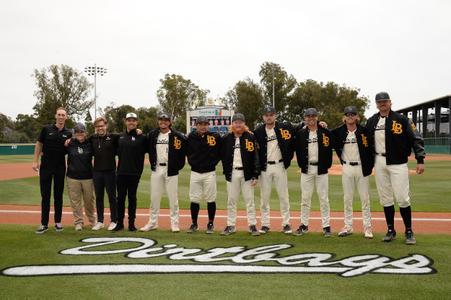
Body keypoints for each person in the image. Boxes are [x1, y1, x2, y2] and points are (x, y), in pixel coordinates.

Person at [365, 92, 425, 245]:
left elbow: (416, 138)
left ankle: (409, 230)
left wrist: (420, 159)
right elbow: (363, 138)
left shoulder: (402, 119)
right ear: (376, 104)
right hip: (379, 161)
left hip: (397, 163)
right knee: (385, 198)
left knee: (402, 198)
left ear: (390, 102)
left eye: (385, 101)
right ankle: (390, 230)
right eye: (379, 102)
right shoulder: (372, 121)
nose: (382, 104)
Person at [332, 106, 374, 239]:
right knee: (347, 199)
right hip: (347, 167)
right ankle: (348, 226)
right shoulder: (338, 132)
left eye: (353, 114)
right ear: (344, 118)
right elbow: (325, 134)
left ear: (357, 117)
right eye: (347, 114)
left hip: (362, 168)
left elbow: (372, 149)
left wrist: (370, 165)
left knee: (365, 199)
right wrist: (322, 125)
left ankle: (367, 227)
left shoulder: (364, 131)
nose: (350, 116)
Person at [140, 113, 186, 233]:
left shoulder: (177, 136)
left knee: (173, 198)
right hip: (157, 169)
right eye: (161, 120)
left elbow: (182, 153)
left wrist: (177, 167)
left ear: (170, 122)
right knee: (154, 198)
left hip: (171, 170)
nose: (163, 122)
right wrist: (137, 132)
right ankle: (152, 222)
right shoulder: (152, 135)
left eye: (166, 120)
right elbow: (142, 144)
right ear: (158, 121)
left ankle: (174, 224)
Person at [254, 106, 295, 234]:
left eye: (271, 114)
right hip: (265, 168)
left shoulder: (284, 127)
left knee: (283, 196)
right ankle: (265, 224)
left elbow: (299, 128)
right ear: (263, 117)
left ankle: (286, 223)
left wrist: (320, 124)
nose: (269, 117)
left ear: (275, 116)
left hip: (280, 165)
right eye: (266, 115)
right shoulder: (258, 131)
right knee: (264, 197)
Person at [294, 108, 333, 237]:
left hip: (321, 169)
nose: (311, 118)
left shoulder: (325, 132)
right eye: (308, 116)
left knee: (323, 198)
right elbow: (298, 150)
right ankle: (304, 225)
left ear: (317, 117)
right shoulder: (301, 133)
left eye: (313, 116)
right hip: (307, 169)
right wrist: (301, 165)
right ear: (305, 118)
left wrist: (327, 165)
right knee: (305, 198)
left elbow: (329, 150)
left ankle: (326, 226)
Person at [220, 113, 260, 236]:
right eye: (236, 122)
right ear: (232, 124)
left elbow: (255, 157)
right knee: (231, 200)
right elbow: (221, 155)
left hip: (247, 173)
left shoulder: (250, 137)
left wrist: (255, 174)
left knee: (250, 200)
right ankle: (231, 225)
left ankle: (252, 225)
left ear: (244, 124)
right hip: (232, 173)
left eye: (240, 122)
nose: (238, 124)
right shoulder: (226, 138)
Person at [33, 107, 72, 234]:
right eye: (59, 114)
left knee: (58, 196)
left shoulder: (69, 133)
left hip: (60, 168)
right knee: (45, 196)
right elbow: (39, 144)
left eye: (63, 115)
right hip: (46, 168)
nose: (61, 117)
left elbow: (72, 149)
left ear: (66, 117)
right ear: (56, 116)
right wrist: (35, 161)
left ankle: (58, 222)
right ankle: (44, 224)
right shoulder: (46, 129)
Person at [185, 116, 221, 233]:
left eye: (205, 124)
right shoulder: (191, 137)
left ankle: (210, 223)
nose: (203, 126)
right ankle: (194, 223)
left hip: (210, 172)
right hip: (195, 172)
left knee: (211, 199)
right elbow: (185, 150)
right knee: (194, 199)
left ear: (208, 125)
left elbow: (221, 150)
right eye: (200, 124)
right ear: (196, 125)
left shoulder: (214, 136)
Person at [114, 112, 147, 232]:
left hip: (134, 174)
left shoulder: (142, 137)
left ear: (137, 122)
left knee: (132, 199)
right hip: (121, 173)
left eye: (133, 120)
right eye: (129, 120)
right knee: (121, 199)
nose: (131, 122)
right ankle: (120, 223)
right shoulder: (119, 137)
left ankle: (131, 224)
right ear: (125, 122)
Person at [90, 117, 119, 231]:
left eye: (102, 126)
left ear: (106, 126)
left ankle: (114, 220)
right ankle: (100, 221)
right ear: (95, 128)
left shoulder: (113, 137)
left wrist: (137, 131)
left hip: (110, 172)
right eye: (97, 126)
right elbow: (80, 140)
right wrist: (69, 140)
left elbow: (126, 135)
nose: (100, 128)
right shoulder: (92, 138)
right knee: (99, 197)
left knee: (112, 197)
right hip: (97, 172)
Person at [66, 123, 96, 231]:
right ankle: (78, 222)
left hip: (88, 177)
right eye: (77, 131)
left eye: (82, 131)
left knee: (89, 201)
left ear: (85, 133)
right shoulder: (69, 143)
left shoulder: (90, 143)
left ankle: (93, 221)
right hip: (72, 177)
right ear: (74, 133)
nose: (80, 133)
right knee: (75, 201)